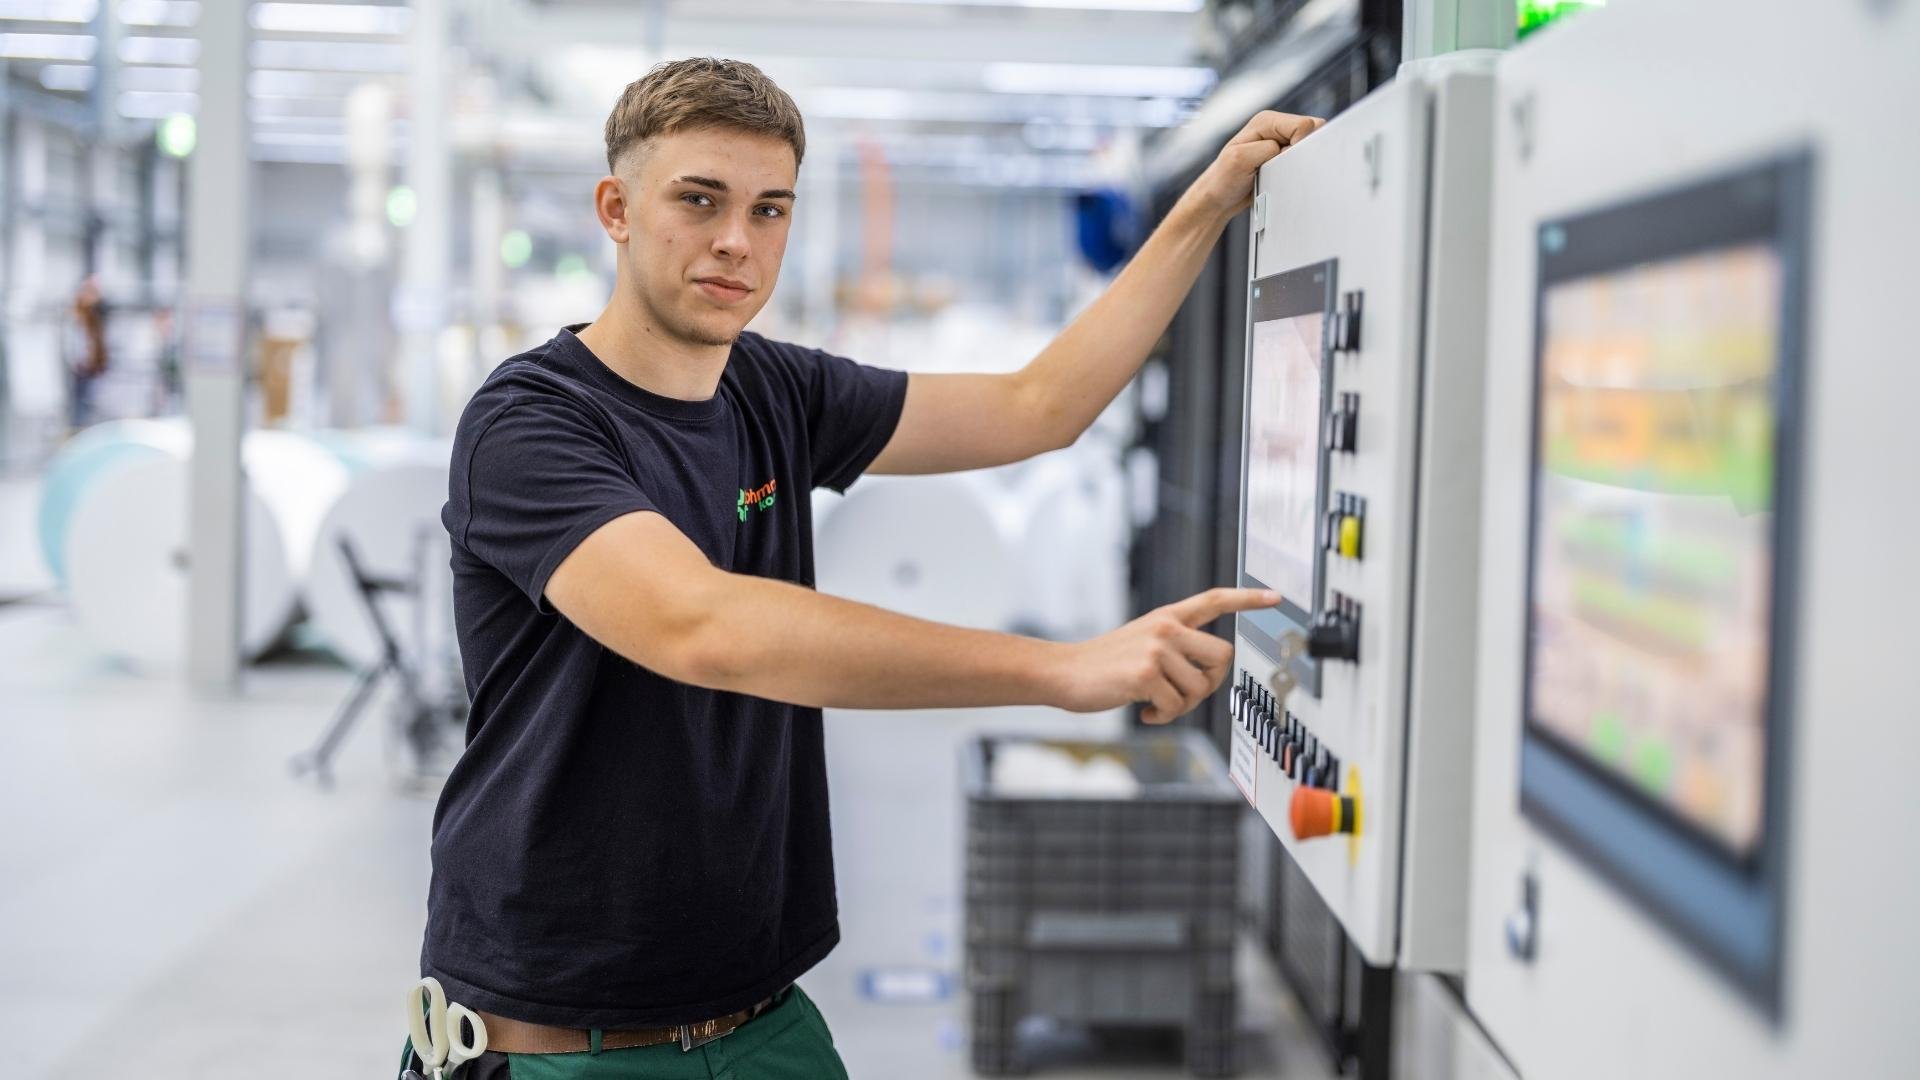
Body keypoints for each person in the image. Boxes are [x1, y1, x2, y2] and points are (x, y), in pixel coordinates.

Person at [417, 57, 1319, 1080]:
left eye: (769, 211)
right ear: (616, 209)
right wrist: (1059, 670)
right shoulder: (532, 422)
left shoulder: (774, 389)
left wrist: (1207, 203)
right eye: (699, 201)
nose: (735, 242)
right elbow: (702, 627)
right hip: (565, 1042)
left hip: (760, 1016)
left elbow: (1039, 407)